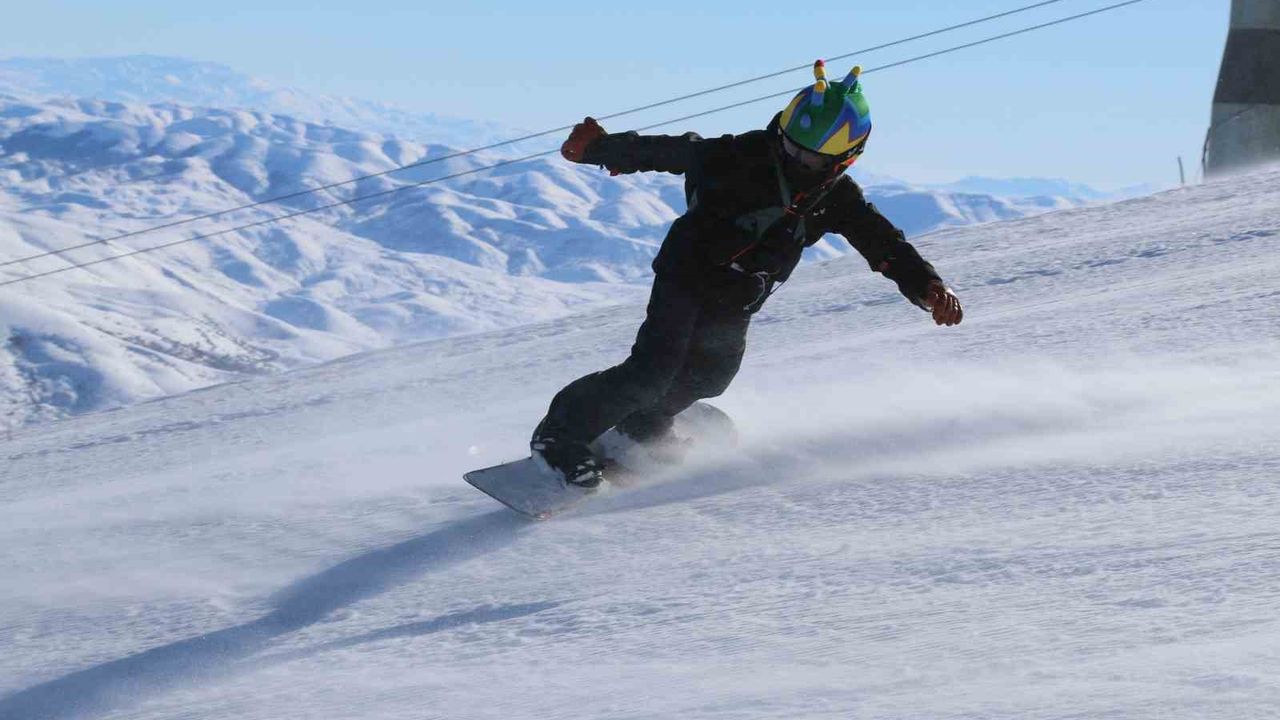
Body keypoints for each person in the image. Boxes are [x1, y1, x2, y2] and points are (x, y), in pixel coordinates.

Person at [531, 60, 963, 487]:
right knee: (653, 370)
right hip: (687, 272)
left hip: (739, 294)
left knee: (712, 375)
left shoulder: (838, 198)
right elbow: (675, 151)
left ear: (844, 160)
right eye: (791, 146)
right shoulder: (744, 154)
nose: (794, 158)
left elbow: (884, 243)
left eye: (810, 157)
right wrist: (600, 148)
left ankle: (642, 426)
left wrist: (927, 286)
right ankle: (560, 435)